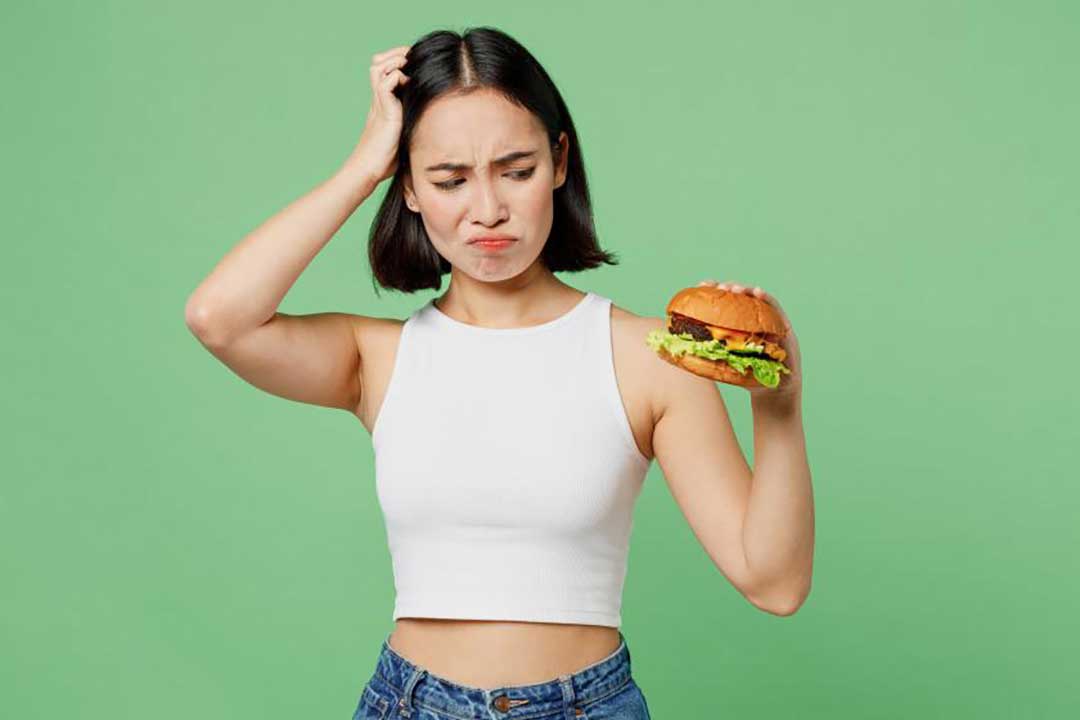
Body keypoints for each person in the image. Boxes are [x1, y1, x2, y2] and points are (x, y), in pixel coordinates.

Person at [184, 26, 814, 720]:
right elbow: (220, 316)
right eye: (449, 179)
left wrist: (778, 410)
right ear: (410, 188)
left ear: (559, 161)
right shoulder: (378, 358)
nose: (487, 210)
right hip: (409, 703)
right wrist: (364, 166)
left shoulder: (647, 357)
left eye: (516, 170)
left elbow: (774, 582)